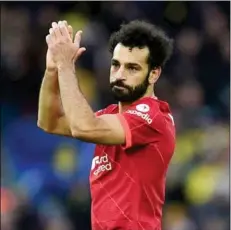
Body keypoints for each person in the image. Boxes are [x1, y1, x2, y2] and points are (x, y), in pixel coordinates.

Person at [38, 19, 175, 230]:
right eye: (116, 64)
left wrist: (66, 65)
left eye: (132, 68)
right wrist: (52, 70)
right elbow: (50, 122)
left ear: (154, 74)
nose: (120, 75)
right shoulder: (111, 116)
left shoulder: (154, 117)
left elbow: (83, 127)